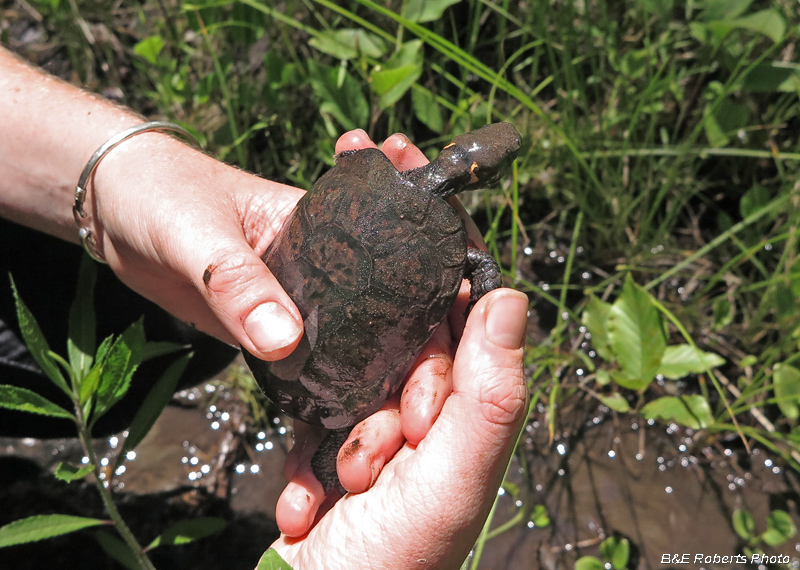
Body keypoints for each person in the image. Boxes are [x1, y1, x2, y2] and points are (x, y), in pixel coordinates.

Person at [0, 45, 529, 569]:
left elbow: (344, 167)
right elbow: (480, 272)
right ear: (483, 176)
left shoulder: (365, 167)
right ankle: (329, 470)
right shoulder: (449, 249)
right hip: (322, 380)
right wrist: (488, 292)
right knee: (346, 430)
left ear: (456, 147)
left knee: (188, 345)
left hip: (270, 347)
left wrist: (121, 169)